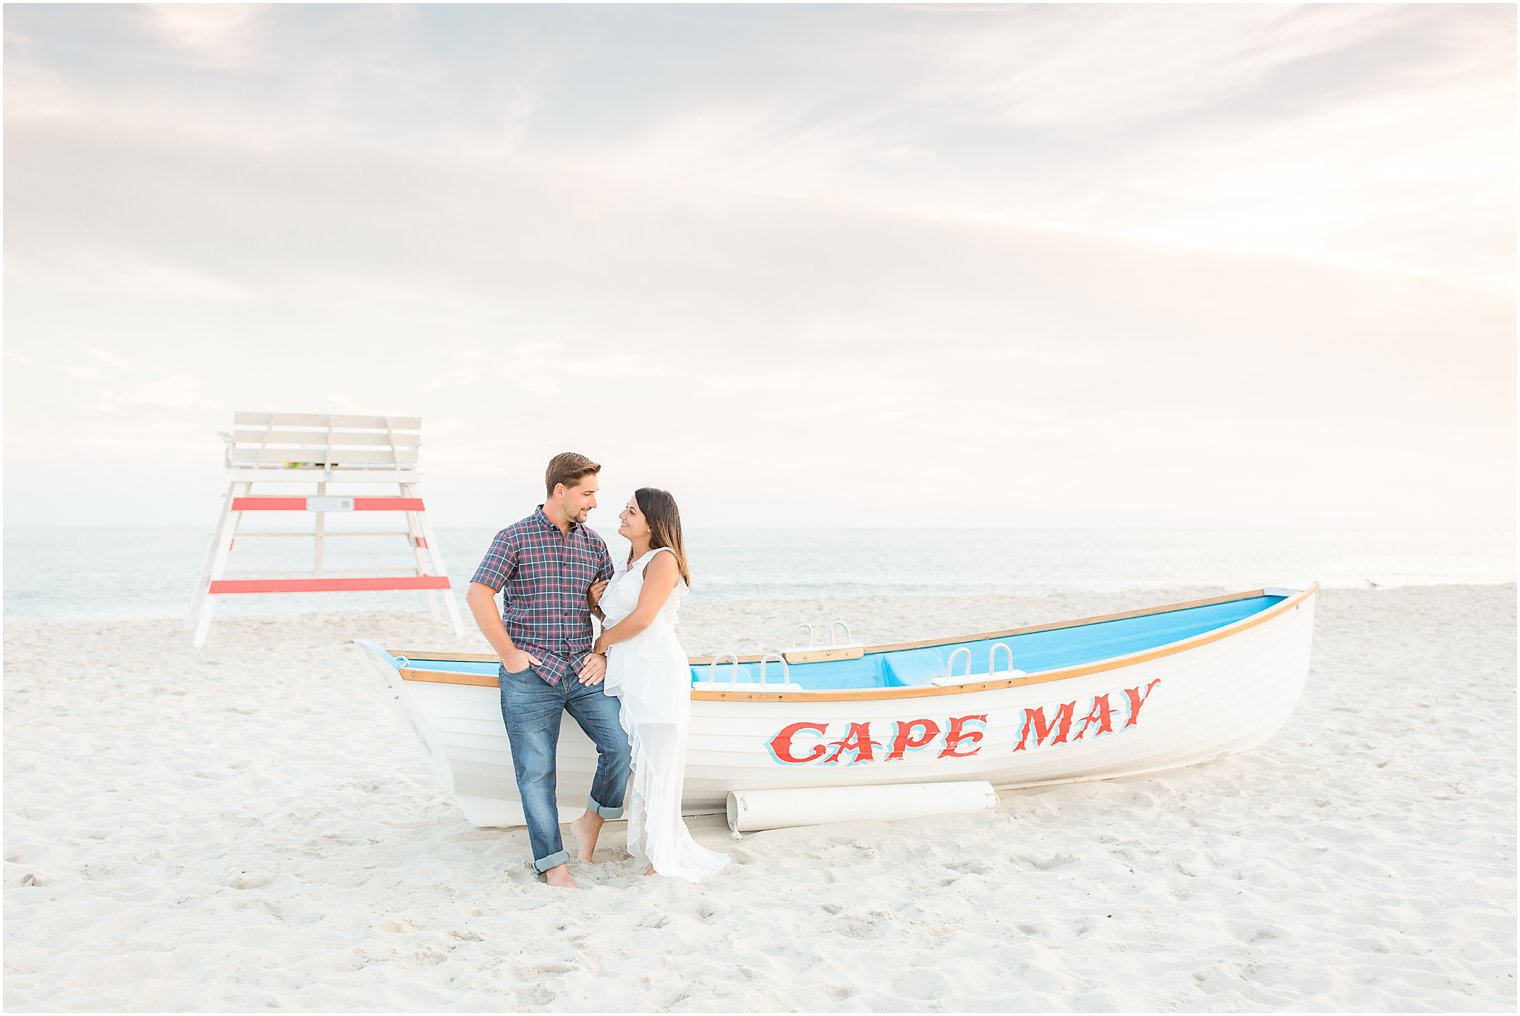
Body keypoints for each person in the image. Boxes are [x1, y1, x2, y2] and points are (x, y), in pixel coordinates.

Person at [465, 452, 629, 890]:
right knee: (536, 772)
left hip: (582, 669)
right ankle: (553, 865)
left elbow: (607, 611)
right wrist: (509, 654)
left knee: (621, 747)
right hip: (530, 673)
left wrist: (603, 651)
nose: (594, 503)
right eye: (588, 493)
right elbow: (478, 595)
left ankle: (591, 821)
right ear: (561, 490)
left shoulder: (593, 544)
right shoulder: (513, 538)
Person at [591, 487, 727, 882]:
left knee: (660, 761)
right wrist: (593, 604)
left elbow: (643, 618)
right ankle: (655, 846)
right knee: (642, 758)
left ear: (652, 521)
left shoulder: (663, 560)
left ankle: (662, 853)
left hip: (655, 668)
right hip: (630, 667)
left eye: (631, 511)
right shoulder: (628, 563)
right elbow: (618, 615)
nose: (621, 514)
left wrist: (601, 644)